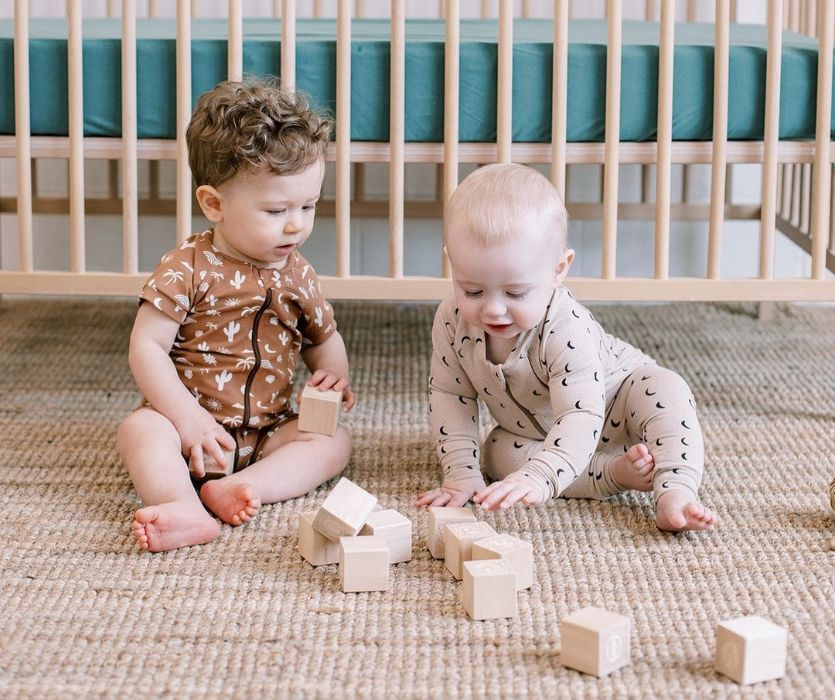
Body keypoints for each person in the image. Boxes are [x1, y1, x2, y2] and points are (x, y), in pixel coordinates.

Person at [118, 78, 353, 552]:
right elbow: (146, 348)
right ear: (214, 204)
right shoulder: (187, 266)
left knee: (334, 441)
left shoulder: (299, 274)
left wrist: (334, 378)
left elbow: (322, 338)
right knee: (139, 430)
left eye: (308, 206)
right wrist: (186, 420)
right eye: (275, 210)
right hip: (190, 432)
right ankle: (182, 504)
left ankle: (247, 487)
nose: (297, 224)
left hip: (269, 431)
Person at [416, 163, 716, 532]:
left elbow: (581, 415)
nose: (492, 309)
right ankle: (612, 473)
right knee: (496, 454)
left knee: (665, 388)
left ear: (559, 269)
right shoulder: (451, 321)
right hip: (538, 431)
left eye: (515, 293)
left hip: (611, 405)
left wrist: (542, 475)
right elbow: (449, 394)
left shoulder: (565, 326)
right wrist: (461, 473)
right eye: (472, 290)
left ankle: (676, 490)